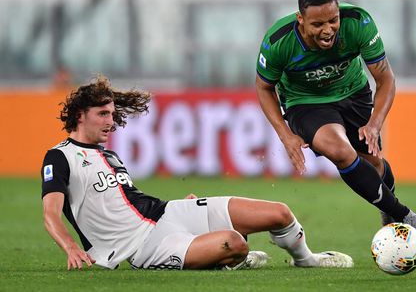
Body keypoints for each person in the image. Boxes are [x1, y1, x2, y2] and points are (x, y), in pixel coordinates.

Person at [41, 75, 354, 271]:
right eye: (102, 114)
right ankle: (227, 259)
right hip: (144, 248)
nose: (111, 121)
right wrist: (71, 248)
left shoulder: (109, 154)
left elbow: (131, 205)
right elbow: (51, 214)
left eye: (112, 113)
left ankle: (306, 260)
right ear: (80, 116)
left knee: (279, 213)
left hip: (169, 213)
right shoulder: (60, 156)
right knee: (234, 244)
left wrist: (181, 204)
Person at [255, 0, 416, 243]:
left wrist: (375, 123)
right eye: (317, 25)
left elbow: (386, 79)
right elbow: (264, 87)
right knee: (340, 150)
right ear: (301, 19)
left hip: (354, 93)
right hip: (306, 102)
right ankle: (405, 216)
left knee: (374, 165)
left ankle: (387, 211)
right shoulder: (279, 42)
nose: (328, 30)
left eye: (333, 21)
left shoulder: (358, 23)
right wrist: (286, 135)